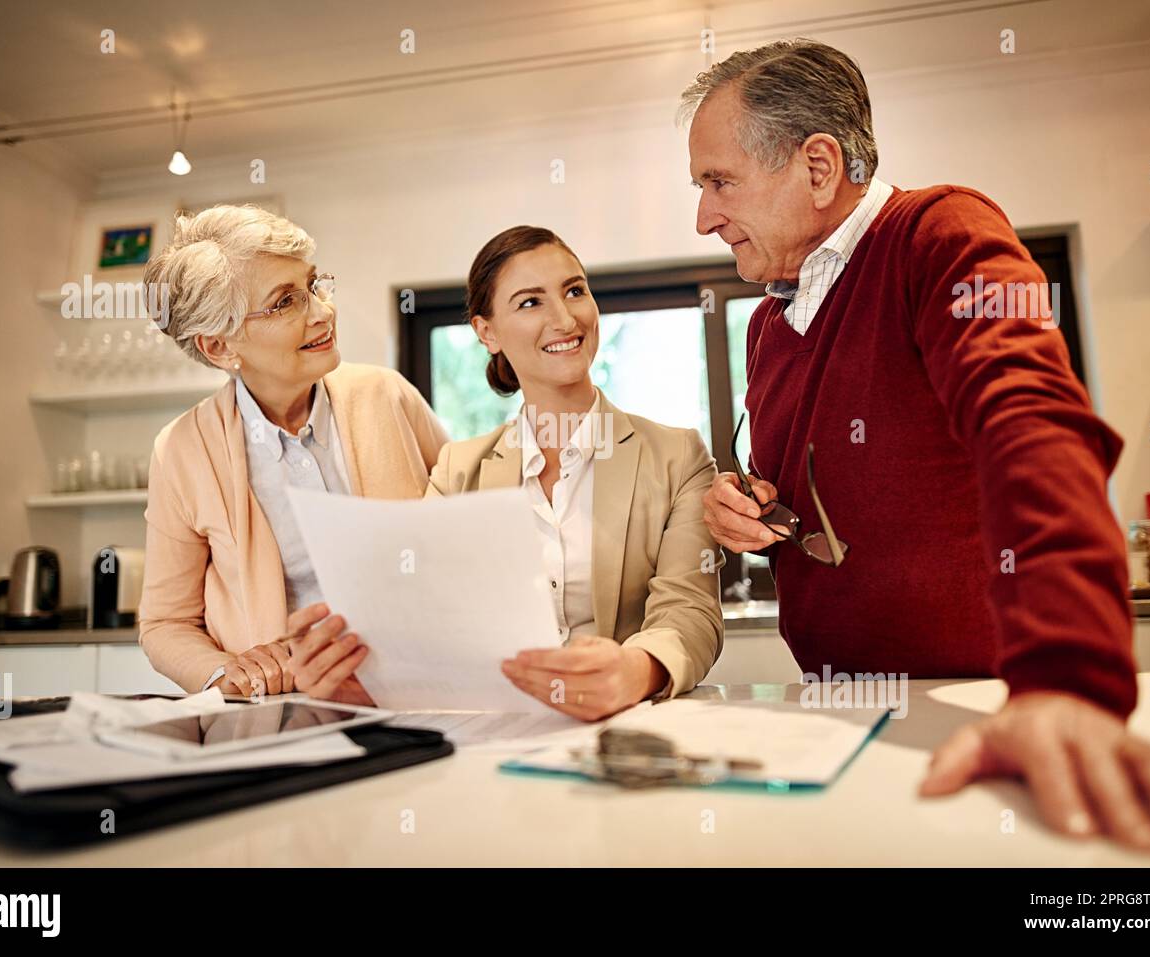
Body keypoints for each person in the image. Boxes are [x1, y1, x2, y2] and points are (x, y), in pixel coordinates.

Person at [681, 39, 1150, 848]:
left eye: (718, 182)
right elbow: (821, 491)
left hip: (990, 702)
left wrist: (1066, 679)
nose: (704, 216)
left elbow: (1031, 425)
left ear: (819, 166)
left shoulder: (942, 232)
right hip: (839, 711)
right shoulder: (765, 323)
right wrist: (748, 506)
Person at [138, 205, 446, 698]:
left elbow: (464, 521)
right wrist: (227, 672)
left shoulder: (386, 396)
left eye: (314, 285)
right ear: (218, 347)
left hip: (422, 690)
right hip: (285, 710)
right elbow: (165, 623)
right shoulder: (182, 449)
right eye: (285, 303)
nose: (323, 312)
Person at [425, 225, 723, 720]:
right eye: (530, 303)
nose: (565, 319)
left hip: (627, 725)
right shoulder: (458, 472)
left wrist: (637, 667)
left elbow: (691, 608)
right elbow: (428, 612)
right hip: (496, 726)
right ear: (487, 332)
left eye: (574, 291)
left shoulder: (677, 456)